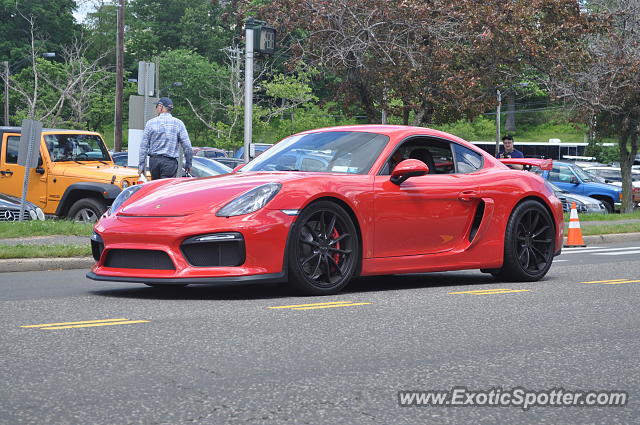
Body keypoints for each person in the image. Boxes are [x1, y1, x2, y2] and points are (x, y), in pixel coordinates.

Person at [138, 97, 193, 180]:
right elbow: (187, 146)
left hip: (154, 162)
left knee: (155, 188)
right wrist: (188, 164)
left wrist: (141, 165)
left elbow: (143, 147)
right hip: (170, 162)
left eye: (156, 106)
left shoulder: (150, 123)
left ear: (160, 107)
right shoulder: (178, 123)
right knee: (166, 189)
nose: (156, 109)